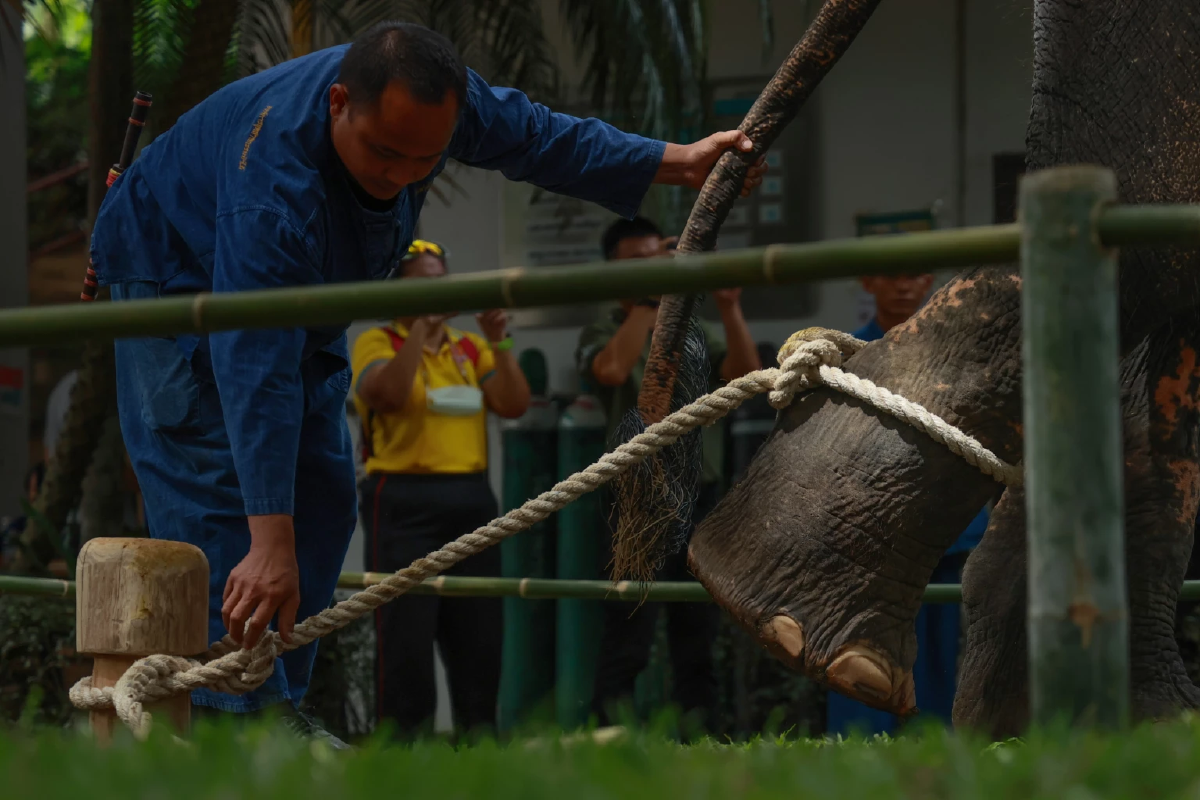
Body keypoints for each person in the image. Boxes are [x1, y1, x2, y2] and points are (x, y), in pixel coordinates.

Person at [87, 21, 765, 743]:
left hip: (306, 304)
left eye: (426, 160)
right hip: (174, 276)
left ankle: (273, 706)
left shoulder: (446, 106)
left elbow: (543, 138)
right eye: (384, 152)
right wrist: (266, 540)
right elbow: (254, 364)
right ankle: (232, 726)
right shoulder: (271, 191)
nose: (401, 177)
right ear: (339, 103)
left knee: (319, 499)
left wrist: (680, 161)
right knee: (232, 507)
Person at [576, 216, 762, 735]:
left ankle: (701, 740)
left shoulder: (692, 330)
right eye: (635, 263)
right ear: (611, 269)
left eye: (657, 259)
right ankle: (606, 737)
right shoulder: (605, 324)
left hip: (698, 495)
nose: (651, 269)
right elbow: (611, 370)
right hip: (634, 498)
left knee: (695, 631)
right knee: (627, 634)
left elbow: (745, 377)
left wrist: (727, 304)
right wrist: (647, 303)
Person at [351, 239, 529, 740]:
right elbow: (386, 395)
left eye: (441, 280)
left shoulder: (468, 347)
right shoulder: (378, 341)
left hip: (470, 498)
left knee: (478, 629)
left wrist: (499, 341)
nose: (437, 290)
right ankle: (405, 747)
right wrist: (422, 328)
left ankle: (479, 739)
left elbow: (513, 404)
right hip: (401, 499)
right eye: (423, 282)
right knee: (405, 632)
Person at [825, 272, 990, 738]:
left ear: (930, 284)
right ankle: (856, 745)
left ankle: (932, 748)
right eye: (888, 276)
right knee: (854, 644)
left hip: (947, 529)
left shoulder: (960, 351)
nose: (902, 285)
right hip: (863, 532)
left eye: (915, 275)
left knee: (935, 651)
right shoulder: (843, 355)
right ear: (867, 283)